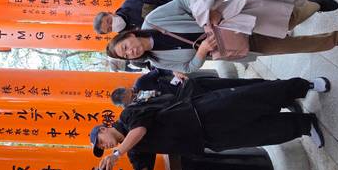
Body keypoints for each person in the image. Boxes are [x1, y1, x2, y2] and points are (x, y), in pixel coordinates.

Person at [91, 77, 330, 170]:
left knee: (253, 99)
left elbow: (140, 129)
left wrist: (117, 154)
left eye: (101, 142)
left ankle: (303, 86)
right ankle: (304, 125)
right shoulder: (133, 151)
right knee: (259, 134)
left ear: (103, 129)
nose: (106, 147)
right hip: (206, 139)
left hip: (201, 112)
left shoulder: (126, 117)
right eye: (103, 150)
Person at [105, 0, 338, 72]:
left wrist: (209, 14)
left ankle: (314, 6)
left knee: (286, 19)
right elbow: (188, 68)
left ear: (129, 35)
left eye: (125, 47)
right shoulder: (158, 61)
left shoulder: (154, 22)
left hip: (230, 21)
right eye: (126, 55)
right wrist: (201, 52)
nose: (131, 52)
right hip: (234, 47)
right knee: (289, 45)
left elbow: (183, 2)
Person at [110, 70, 265, 107]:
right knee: (232, 98)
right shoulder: (139, 106)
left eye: (127, 98)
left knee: (230, 85)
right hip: (191, 102)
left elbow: (160, 70)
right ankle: (264, 95)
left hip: (190, 85)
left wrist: (174, 72)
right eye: (127, 102)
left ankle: (265, 84)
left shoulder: (141, 82)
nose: (129, 101)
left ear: (126, 91)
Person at [93, 0, 190, 34]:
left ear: (110, 13)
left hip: (186, 10)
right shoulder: (127, 37)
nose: (112, 25)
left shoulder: (132, 2)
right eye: (110, 29)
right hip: (184, 31)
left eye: (109, 21)